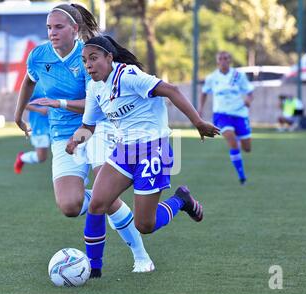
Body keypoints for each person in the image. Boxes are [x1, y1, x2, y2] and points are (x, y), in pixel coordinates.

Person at [14, 4, 153, 278]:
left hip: (98, 127)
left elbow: (95, 104)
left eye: (58, 27)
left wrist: (59, 102)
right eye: (49, 28)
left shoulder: (88, 55)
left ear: (75, 30)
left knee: (104, 192)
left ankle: (142, 257)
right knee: (70, 206)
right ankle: (102, 198)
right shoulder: (39, 56)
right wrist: (18, 115)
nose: (52, 33)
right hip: (61, 135)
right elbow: (28, 82)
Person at [66, 36, 220, 248]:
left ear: (109, 57)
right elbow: (89, 126)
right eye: (85, 61)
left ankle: (181, 200)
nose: (88, 65)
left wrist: (198, 122)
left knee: (145, 225)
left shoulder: (128, 76)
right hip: (123, 151)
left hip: (153, 149)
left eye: (93, 58)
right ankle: (93, 270)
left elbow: (171, 90)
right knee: (97, 204)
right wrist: (75, 140)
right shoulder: (95, 88)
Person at [198, 51, 254, 185]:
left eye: (226, 58)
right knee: (231, 140)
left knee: (247, 148)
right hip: (221, 115)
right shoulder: (212, 78)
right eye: (220, 58)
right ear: (217, 61)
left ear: (230, 61)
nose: (223, 61)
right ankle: (242, 176)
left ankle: (238, 143)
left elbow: (250, 92)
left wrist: (248, 100)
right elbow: (204, 93)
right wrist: (200, 108)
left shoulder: (238, 75)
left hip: (240, 114)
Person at [13, 83, 50, 174]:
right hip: (39, 125)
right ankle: (21, 158)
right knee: (41, 157)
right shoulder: (33, 84)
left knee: (66, 151)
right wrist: (39, 110)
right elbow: (22, 104)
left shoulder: (53, 79)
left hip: (57, 124)